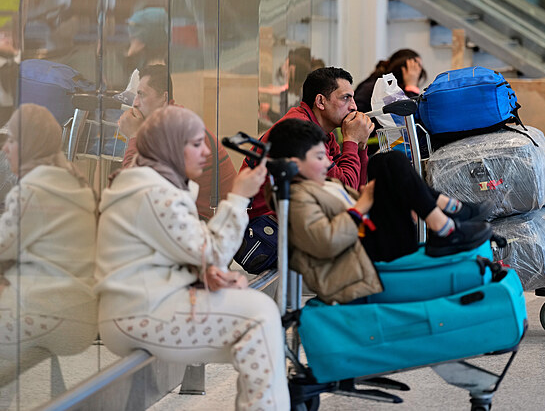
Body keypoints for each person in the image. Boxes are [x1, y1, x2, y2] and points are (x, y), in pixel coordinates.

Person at [95, 105, 289, 410]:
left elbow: (177, 251)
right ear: (171, 147)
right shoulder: (155, 193)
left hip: (136, 308)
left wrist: (204, 274)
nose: (206, 152)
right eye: (196, 144)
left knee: (258, 316)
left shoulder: (148, 183)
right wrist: (239, 198)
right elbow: (213, 252)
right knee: (259, 316)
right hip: (139, 315)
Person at [266, 119, 492, 304]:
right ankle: (449, 220)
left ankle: (448, 219)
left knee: (383, 162)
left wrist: (373, 199)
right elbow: (326, 242)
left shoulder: (321, 184)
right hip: (357, 262)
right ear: (293, 164)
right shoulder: (296, 197)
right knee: (394, 162)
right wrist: (362, 205)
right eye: (319, 157)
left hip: (367, 243)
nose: (327, 163)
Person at [0, 104, 98, 360]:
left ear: (30, 146)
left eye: (12, 141)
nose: (5, 148)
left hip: (44, 320)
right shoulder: (75, 181)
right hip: (83, 321)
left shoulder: (32, 190)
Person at [243, 66, 374, 219]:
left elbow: (354, 193)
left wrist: (361, 146)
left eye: (352, 98)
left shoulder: (323, 131)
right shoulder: (300, 132)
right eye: (345, 98)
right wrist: (351, 140)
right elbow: (343, 191)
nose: (354, 107)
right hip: (267, 225)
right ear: (320, 101)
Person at [120, 64, 237, 219]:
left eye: (142, 95)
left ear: (164, 98)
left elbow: (134, 190)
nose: (135, 103)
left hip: (209, 224)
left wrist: (134, 136)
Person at [354, 48, 426, 114]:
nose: (418, 73)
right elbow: (408, 114)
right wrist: (411, 86)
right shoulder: (376, 87)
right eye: (415, 68)